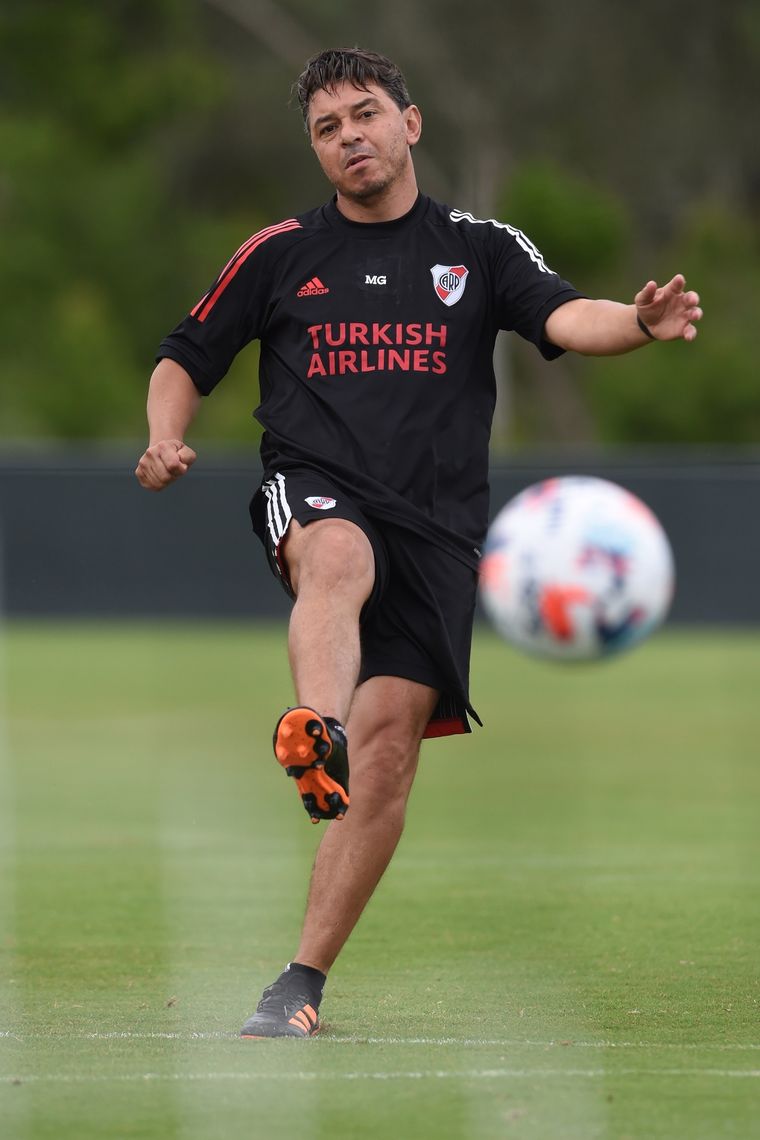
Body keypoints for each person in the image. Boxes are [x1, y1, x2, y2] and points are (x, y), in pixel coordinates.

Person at [135, 47, 702, 1039]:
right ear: (316, 152)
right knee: (337, 558)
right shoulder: (278, 253)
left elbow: (567, 316)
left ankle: (297, 988)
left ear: (410, 123)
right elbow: (186, 353)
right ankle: (317, 730)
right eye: (326, 128)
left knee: (391, 762)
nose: (349, 136)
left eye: (364, 115)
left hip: (439, 532)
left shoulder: (477, 249)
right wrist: (164, 432)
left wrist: (642, 323)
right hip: (315, 488)